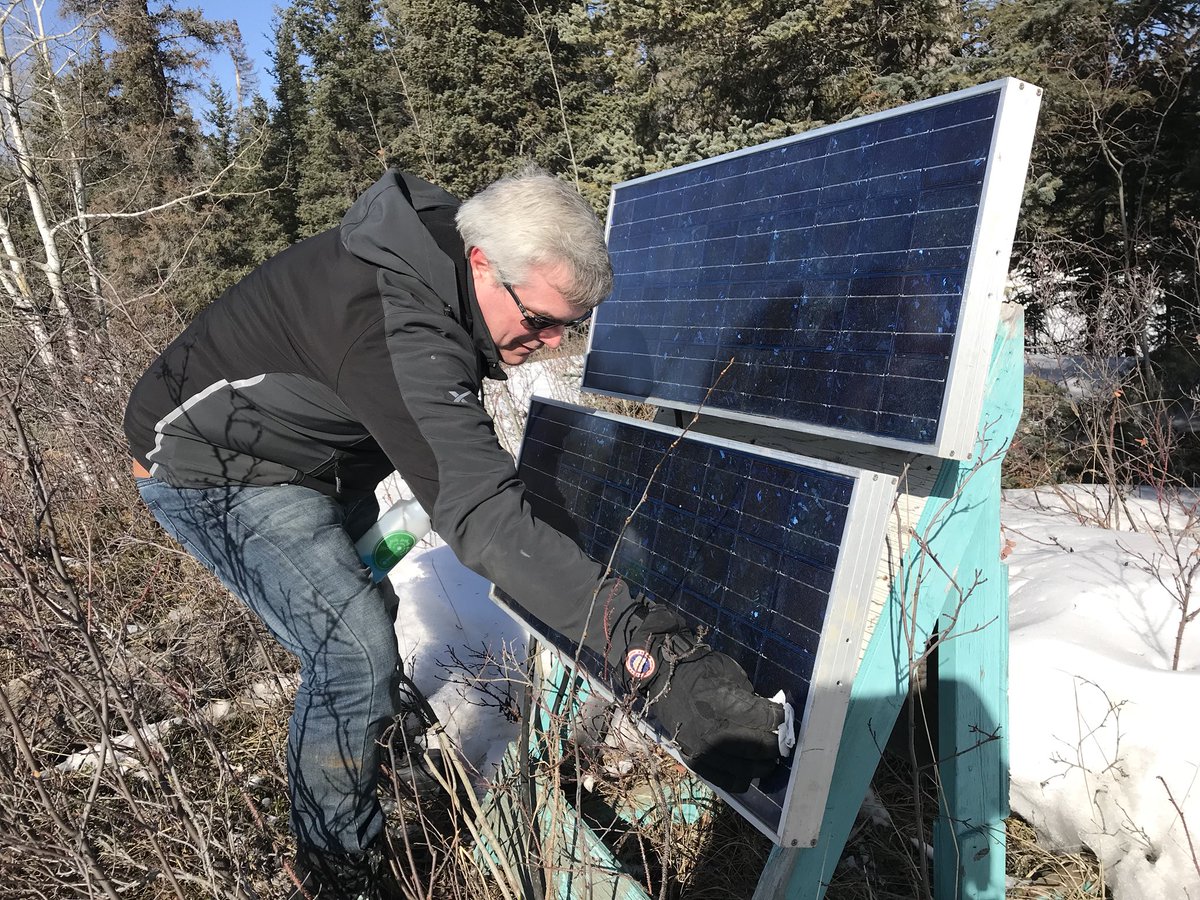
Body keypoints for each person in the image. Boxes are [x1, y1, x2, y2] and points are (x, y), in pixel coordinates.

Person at [125, 167, 785, 899]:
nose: (552, 344)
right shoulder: (396, 325)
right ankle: (336, 869)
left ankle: (382, 754)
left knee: (365, 615)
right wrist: (648, 655)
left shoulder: (452, 258)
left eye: (569, 327)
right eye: (538, 321)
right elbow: (481, 517)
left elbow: (482, 488)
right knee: (349, 652)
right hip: (214, 465)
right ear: (481, 264)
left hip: (315, 450)